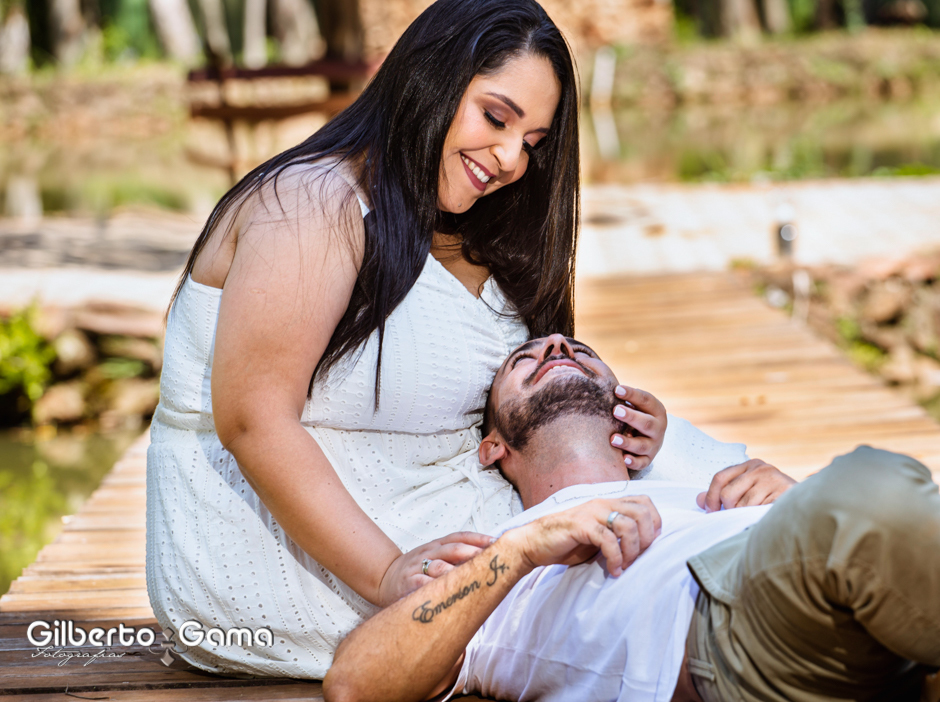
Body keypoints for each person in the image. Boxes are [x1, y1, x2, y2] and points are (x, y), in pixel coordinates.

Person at [147, 0, 677, 678]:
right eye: (496, 117)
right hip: (308, 568)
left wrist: (630, 434)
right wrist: (387, 572)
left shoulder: (461, 221)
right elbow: (253, 421)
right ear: (432, 77)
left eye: (532, 142)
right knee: (665, 594)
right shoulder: (313, 205)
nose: (510, 159)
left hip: (466, 534)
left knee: (711, 512)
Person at [323, 335, 940, 702]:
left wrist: (795, 500)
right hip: (724, 635)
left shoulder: (695, 486)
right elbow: (353, 683)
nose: (558, 347)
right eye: (525, 360)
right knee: (872, 483)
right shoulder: (500, 558)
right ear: (493, 448)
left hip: (828, 594)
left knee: (872, 492)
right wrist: (524, 549)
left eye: (580, 350)